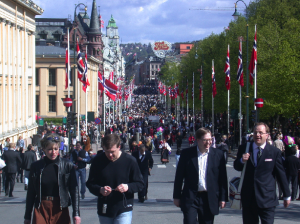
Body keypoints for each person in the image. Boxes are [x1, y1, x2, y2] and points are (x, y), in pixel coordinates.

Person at [234, 122, 291, 224]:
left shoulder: (274, 152)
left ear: (267, 135)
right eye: (255, 132)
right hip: (249, 198)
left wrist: (287, 195)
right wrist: (242, 161)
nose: (257, 135)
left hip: (267, 198)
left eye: (261, 132)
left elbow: (280, 174)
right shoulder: (244, 148)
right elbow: (237, 167)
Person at [173, 128, 228, 224]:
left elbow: (223, 178)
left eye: (210, 140)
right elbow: (179, 176)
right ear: (197, 140)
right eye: (205, 140)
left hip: (209, 197)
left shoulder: (218, 155)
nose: (208, 143)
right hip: (191, 197)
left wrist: (223, 198)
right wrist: (176, 196)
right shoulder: (187, 154)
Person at [86, 133, 144, 224]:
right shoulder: (98, 161)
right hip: (104, 207)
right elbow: (90, 183)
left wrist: (127, 187)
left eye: (113, 152)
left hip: (124, 206)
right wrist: (100, 190)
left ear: (119, 147)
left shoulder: (130, 161)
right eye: (107, 151)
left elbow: (140, 183)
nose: (110, 155)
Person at [24, 133, 80, 224]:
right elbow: (31, 192)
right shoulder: (36, 166)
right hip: (41, 207)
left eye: (55, 149)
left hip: (60, 207)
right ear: (44, 150)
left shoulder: (67, 165)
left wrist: (76, 213)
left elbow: (74, 190)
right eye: (50, 149)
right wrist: (27, 216)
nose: (53, 152)